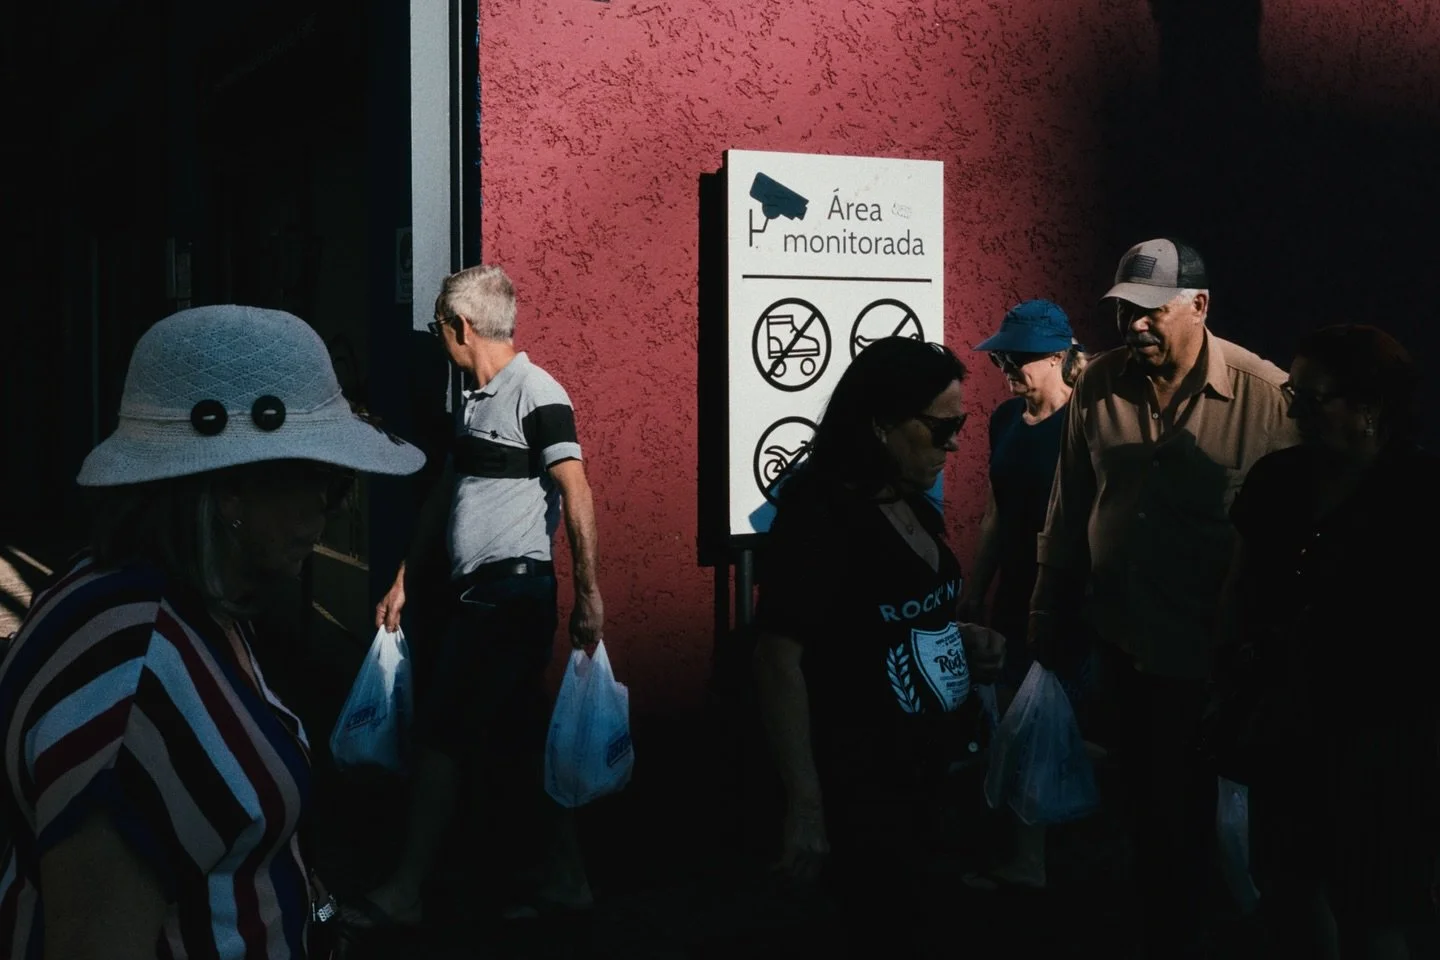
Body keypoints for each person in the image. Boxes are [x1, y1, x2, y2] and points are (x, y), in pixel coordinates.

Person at [0, 305, 425, 959]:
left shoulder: (176, 601)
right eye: (321, 478)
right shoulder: (133, 690)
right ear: (230, 492)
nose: (330, 508)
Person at [1029, 238, 1299, 958]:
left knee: (1232, 819)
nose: (1134, 326)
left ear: (1199, 306)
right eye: (1125, 311)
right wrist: (1045, 606)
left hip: (1217, 656)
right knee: (1148, 813)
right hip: (1123, 640)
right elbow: (1069, 502)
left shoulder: (1267, 394)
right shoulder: (1098, 384)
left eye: (1151, 311)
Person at [348, 264, 603, 931]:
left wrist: (590, 596)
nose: (439, 340)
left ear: (461, 326)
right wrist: (405, 576)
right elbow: (444, 496)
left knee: (440, 736)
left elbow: (574, 488)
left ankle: (405, 890)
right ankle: (567, 877)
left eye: (440, 328)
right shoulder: (476, 402)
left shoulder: (534, 390)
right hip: (479, 597)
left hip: (510, 596)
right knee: (518, 740)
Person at [753, 336, 1006, 957]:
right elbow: (777, 657)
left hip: (928, 779)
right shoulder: (822, 514)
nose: (954, 442)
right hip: (861, 791)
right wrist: (805, 807)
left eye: (962, 424)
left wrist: (965, 639)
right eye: (941, 426)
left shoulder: (909, 501)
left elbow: (902, 618)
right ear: (880, 423)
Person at [1217, 325, 1440, 959]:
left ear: (1370, 407)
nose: (1293, 411)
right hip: (1287, 725)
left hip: (1383, 738)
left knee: (1374, 906)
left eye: (1312, 400)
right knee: (1289, 888)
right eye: (1294, 394)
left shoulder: (1421, 493)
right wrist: (1229, 673)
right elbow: (1238, 587)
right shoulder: (1278, 479)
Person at [957, 298, 1088, 893]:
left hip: (1069, 595)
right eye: (1003, 355)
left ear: (1060, 357)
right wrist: (974, 591)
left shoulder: (1086, 424)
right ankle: (1028, 856)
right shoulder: (1006, 420)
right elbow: (995, 514)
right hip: (1015, 592)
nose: (1009, 367)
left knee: (1065, 722)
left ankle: (1060, 852)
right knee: (1017, 719)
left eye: (1024, 357)